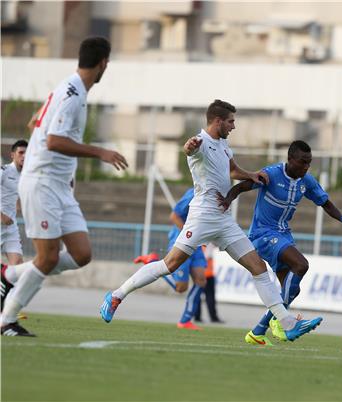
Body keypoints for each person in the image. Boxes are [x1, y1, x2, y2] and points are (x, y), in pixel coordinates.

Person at [100, 99, 322, 342]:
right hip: (203, 216)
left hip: (224, 219)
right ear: (218, 121)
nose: (233, 126)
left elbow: (232, 170)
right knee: (170, 265)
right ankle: (117, 295)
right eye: (231, 121)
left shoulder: (223, 145)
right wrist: (189, 146)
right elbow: (189, 150)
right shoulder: (201, 142)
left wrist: (252, 175)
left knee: (258, 268)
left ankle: (287, 323)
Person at [1, 37, 128, 337]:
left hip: (58, 184)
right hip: (42, 183)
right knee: (48, 258)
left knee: (82, 254)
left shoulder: (70, 89)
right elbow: (54, 140)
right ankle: (6, 319)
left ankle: (10, 274)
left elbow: (37, 123)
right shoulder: (72, 95)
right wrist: (100, 152)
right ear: (103, 63)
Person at [218, 140, 342, 345]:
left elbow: (325, 203)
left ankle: (258, 331)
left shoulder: (306, 181)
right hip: (263, 234)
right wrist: (228, 199)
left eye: (309, 163)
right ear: (290, 159)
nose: (306, 167)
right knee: (301, 265)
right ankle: (281, 321)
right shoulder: (272, 174)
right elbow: (242, 187)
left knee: (291, 289)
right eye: (302, 162)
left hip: (283, 234)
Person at [165, 187, 207, 330]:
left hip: (196, 245)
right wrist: (189, 234)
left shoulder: (214, 194)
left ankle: (185, 320)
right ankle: (152, 262)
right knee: (181, 288)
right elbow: (174, 216)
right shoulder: (194, 193)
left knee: (201, 280)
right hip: (181, 242)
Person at [1, 140, 28, 267]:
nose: (24, 156)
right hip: (1, 220)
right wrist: (1, 216)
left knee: (18, 265)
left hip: (11, 228)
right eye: (21, 153)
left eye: (27, 153)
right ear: (13, 155)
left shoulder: (26, 175)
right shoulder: (4, 171)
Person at [194, 244, 224, 324]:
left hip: (198, 273)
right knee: (210, 297)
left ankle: (197, 316)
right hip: (207, 274)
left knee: (197, 295)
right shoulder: (208, 245)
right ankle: (213, 317)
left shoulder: (198, 245)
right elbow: (207, 256)